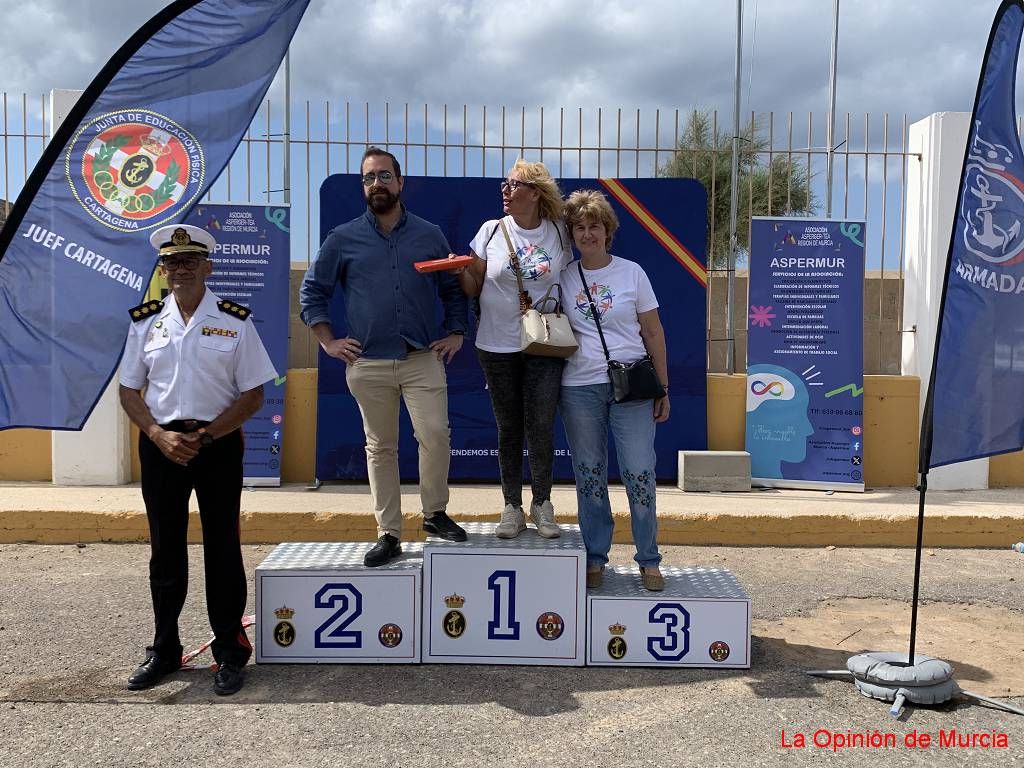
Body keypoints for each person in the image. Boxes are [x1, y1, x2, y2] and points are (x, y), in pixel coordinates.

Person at [119, 224, 277, 695]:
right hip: (161, 444)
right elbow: (129, 391)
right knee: (164, 551)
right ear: (163, 269)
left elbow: (253, 396)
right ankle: (164, 650)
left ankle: (230, 652)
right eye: (172, 262)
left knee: (222, 548)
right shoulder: (145, 321)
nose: (180, 269)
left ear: (208, 267)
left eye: (190, 261)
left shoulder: (234, 320)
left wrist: (207, 436)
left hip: (217, 446)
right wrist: (156, 434)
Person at [300, 147, 470, 567]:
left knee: (434, 435)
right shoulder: (342, 239)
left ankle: (434, 514)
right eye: (368, 178)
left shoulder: (429, 235)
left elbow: (452, 289)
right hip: (367, 362)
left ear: (400, 182)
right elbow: (312, 294)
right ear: (363, 186)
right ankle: (389, 533)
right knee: (381, 449)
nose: (376, 184)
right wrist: (328, 343)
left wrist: (457, 332)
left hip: (420, 358)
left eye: (384, 176)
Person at [453, 159, 572, 539]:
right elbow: (473, 289)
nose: (505, 190)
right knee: (508, 427)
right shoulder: (490, 230)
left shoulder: (558, 232)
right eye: (505, 184)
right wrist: (462, 271)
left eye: (514, 184)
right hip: (495, 343)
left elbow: (570, 281)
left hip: (544, 341)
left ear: (535, 193)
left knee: (540, 424)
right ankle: (511, 506)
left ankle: (543, 504)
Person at [558, 190, 670, 591]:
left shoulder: (632, 273)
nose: (588, 234)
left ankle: (649, 559)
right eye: (580, 228)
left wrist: (664, 386)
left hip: (632, 385)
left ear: (609, 231)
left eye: (595, 226)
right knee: (589, 475)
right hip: (578, 386)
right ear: (571, 235)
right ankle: (594, 557)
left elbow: (653, 331)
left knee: (640, 472)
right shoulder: (564, 275)